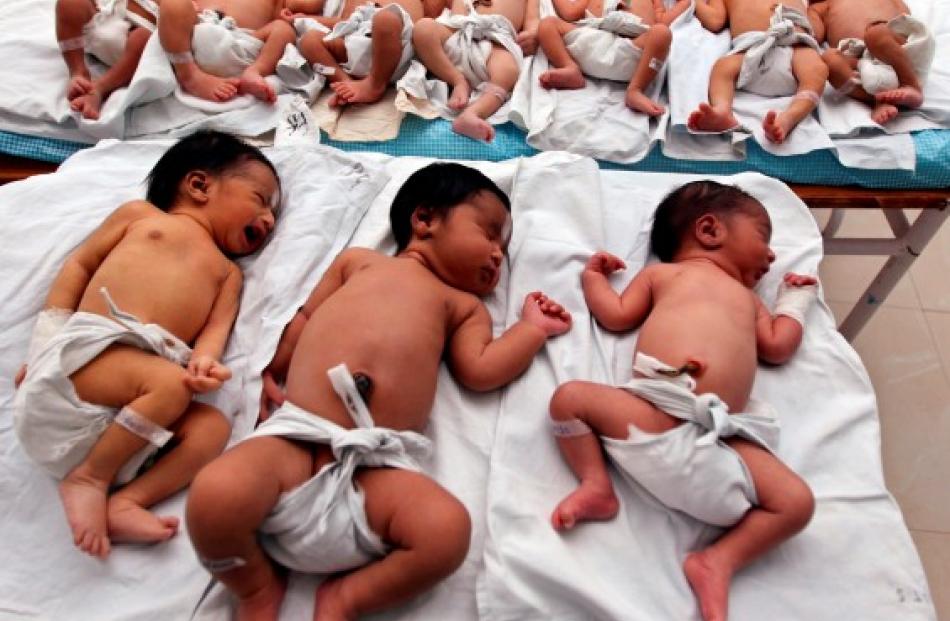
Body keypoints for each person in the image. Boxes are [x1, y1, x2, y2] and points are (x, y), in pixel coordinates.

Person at [186, 163, 572, 620]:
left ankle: (347, 599)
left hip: (374, 466)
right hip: (296, 439)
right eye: (489, 234)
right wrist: (276, 364)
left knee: (447, 532)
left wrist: (530, 331)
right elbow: (307, 317)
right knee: (212, 495)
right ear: (424, 220)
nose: (496, 255)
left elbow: (481, 370)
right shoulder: (358, 262)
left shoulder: (463, 307)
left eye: (503, 250)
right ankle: (254, 587)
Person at [547, 180, 818, 621]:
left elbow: (778, 346)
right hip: (656, 409)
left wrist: (795, 301)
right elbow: (615, 316)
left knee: (798, 502)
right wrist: (592, 277)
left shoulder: (750, 301)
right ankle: (596, 485)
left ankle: (717, 560)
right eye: (764, 239)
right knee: (568, 400)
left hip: (722, 433)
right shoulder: (662, 275)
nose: (771, 256)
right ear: (709, 230)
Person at [13, 130, 280, 560]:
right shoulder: (140, 217)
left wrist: (205, 364)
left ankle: (127, 499)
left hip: (138, 414)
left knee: (212, 426)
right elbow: (79, 265)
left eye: (273, 212)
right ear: (198, 185)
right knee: (169, 385)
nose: (268, 219)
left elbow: (215, 331)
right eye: (260, 198)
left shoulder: (229, 274)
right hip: (86, 363)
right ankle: (89, 480)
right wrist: (44, 345)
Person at [686, 0, 829, 143]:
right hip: (751, 52)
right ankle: (722, 110)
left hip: (794, 45)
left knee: (817, 68)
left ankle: (789, 118)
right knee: (722, 67)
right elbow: (714, 20)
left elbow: (818, 27)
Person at [411, 0, 541, 141]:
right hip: (457, 30)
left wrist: (532, 34)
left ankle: (472, 114)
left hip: (496, 40)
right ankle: (458, 81)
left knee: (508, 70)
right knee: (423, 28)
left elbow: (533, 20)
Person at [536, 0, 686, 116]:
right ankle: (569, 67)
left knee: (662, 33)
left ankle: (635, 89)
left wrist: (685, 3)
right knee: (547, 24)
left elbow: (663, 20)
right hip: (592, 38)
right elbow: (570, 13)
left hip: (632, 48)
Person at [291, 0, 440, 107]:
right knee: (308, 40)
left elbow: (432, 17)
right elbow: (342, 23)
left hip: (394, 49)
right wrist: (307, 18)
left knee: (385, 18)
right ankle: (345, 81)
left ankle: (375, 84)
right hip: (353, 46)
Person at [809, 0, 935, 125]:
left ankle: (910, 84)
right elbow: (812, 35)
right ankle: (880, 98)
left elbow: (904, 17)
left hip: (895, 49)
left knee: (875, 33)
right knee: (830, 59)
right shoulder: (821, 6)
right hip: (860, 61)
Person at [158, 0, 297, 103]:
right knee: (173, 3)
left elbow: (291, 9)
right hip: (198, 30)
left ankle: (255, 72)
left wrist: (287, 15)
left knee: (283, 29)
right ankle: (189, 74)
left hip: (245, 43)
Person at [55, 0, 159, 120]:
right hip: (103, 12)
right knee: (70, 3)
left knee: (142, 39)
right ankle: (78, 71)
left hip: (134, 36)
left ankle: (98, 89)